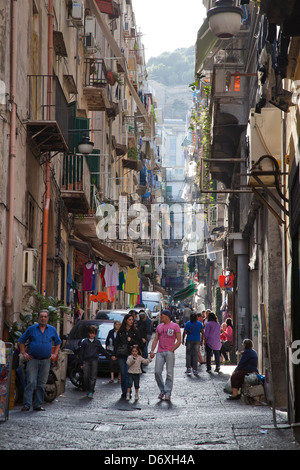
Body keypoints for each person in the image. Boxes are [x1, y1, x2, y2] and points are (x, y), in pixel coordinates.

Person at [18, 310, 62, 411]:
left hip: (46, 361)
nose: (43, 318)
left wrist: (55, 354)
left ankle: (38, 405)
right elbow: (21, 340)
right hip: (33, 360)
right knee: (30, 382)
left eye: (45, 317)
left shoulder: (52, 330)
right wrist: (24, 353)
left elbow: (58, 342)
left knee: (41, 384)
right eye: (41, 316)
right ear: (38, 318)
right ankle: (27, 404)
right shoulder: (32, 329)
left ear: (48, 318)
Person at [150, 309, 181, 401]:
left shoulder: (175, 326)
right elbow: (155, 339)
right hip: (160, 351)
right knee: (157, 372)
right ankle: (162, 389)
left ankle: (167, 392)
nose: (160, 317)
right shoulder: (159, 327)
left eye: (162, 315)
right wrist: (152, 351)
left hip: (169, 352)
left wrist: (172, 350)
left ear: (167, 316)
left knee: (169, 373)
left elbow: (179, 340)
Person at [112, 313, 143, 398]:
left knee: (128, 373)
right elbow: (116, 343)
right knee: (123, 373)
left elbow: (139, 342)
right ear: (126, 321)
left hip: (130, 355)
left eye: (132, 320)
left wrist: (131, 340)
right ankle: (124, 391)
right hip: (122, 355)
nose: (131, 321)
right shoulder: (121, 331)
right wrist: (114, 354)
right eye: (129, 320)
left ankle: (128, 391)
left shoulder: (135, 331)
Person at [79, 325, 110, 397]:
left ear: (95, 334)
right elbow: (81, 353)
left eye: (93, 333)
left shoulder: (97, 342)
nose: (92, 335)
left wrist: (109, 356)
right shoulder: (85, 342)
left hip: (94, 360)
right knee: (86, 376)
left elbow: (102, 350)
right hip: (86, 360)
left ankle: (91, 390)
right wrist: (81, 362)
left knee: (93, 376)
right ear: (88, 333)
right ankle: (88, 388)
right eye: (91, 333)